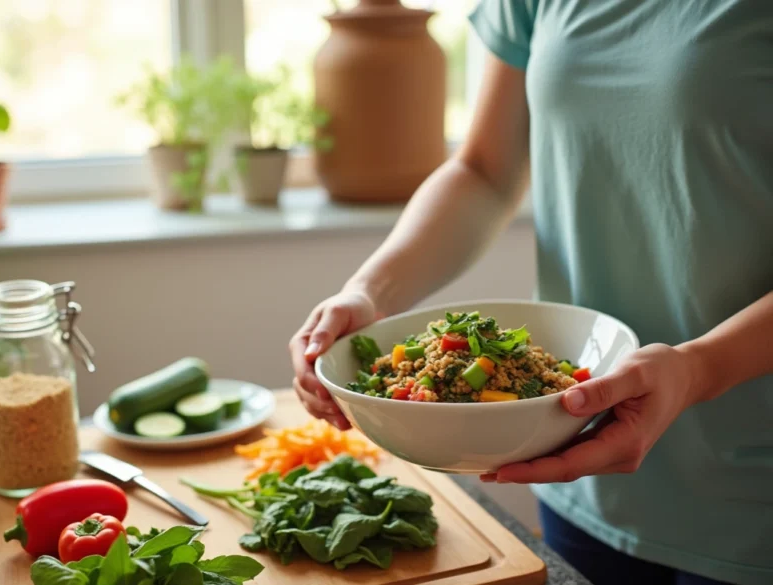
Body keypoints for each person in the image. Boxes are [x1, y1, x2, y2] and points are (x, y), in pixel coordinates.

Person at [289, 2, 773, 584]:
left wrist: (695, 370)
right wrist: (370, 292)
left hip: (751, 499)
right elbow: (485, 171)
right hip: (574, 464)